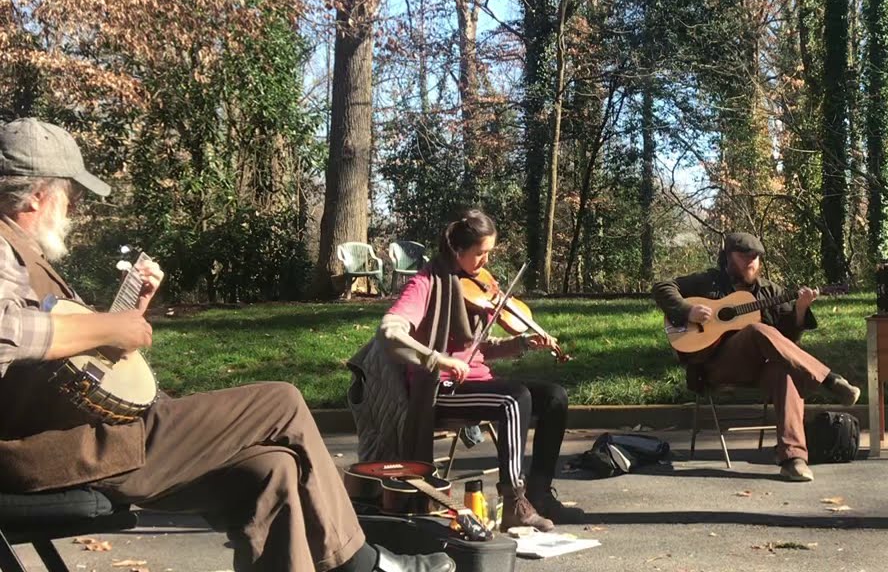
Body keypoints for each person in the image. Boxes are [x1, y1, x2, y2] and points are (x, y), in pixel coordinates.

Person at [0, 118, 452, 572]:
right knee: (283, 402)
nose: (75, 209)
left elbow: (73, 365)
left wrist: (129, 314)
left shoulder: (24, 252)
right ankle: (363, 565)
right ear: (38, 195)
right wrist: (109, 328)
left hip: (91, 439)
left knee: (272, 469)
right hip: (67, 452)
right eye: (71, 196)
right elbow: (6, 333)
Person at [365, 208, 584, 532]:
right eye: (480, 254)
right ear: (457, 250)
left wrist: (521, 343)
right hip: (439, 389)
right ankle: (514, 503)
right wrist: (437, 359)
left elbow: (479, 348)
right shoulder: (427, 282)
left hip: (477, 381)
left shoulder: (478, 286)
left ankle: (539, 493)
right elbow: (390, 333)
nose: (485, 263)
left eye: (489, 253)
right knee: (514, 398)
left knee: (554, 397)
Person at [652, 232, 862, 482]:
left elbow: (786, 344)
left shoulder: (771, 291)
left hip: (758, 369)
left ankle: (793, 459)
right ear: (727, 257)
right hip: (716, 365)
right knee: (756, 330)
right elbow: (662, 287)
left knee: (783, 371)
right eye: (744, 256)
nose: (751, 261)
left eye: (756, 257)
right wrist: (688, 310)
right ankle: (830, 380)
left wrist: (800, 311)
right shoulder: (708, 282)